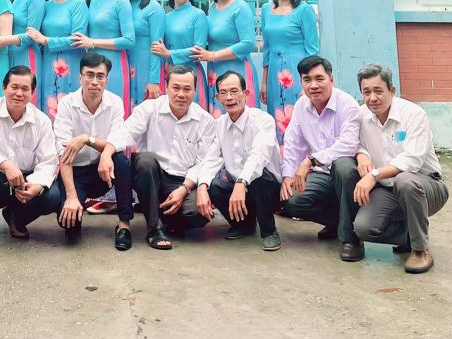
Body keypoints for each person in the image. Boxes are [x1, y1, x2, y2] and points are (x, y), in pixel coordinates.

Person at [346, 63, 449, 274]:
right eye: (366, 92)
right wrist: (362, 154)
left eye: (378, 91)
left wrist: (374, 175)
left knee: (405, 181)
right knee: (364, 228)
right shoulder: (361, 115)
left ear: (391, 91)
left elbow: (412, 160)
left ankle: (421, 250)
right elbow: (355, 142)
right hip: (388, 188)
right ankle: (410, 234)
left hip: (426, 185)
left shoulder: (414, 114)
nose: (372, 98)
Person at [105, 64, 216, 249]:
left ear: (195, 91)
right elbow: (126, 133)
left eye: (187, 89)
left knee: (198, 214)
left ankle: (162, 217)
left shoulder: (205, 120)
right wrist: (107, 153)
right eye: (176, 88)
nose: (181, 94)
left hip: (182, 180)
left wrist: (184, 189)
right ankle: (154, 227)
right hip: (151, 176)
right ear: (167, 87)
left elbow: (203, 162)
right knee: (145, 160)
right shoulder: (150, 108)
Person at [0, 66, 60, 250]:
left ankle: (16, 218)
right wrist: (6, 165)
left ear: (32, 92)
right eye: (14, 87)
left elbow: (48, 160)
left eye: (25, 89)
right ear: (4, 88)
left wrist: (37, 185)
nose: (19, 93)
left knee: (53, 196)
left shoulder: (41, 121)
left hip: (26, 180)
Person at [279, 55, 361, 260]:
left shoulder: (347, 105)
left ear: (331, 80)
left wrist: (311, 160)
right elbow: (293, 143)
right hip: (321, 174)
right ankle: (337, 222)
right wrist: (288, 176)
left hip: (348, 174)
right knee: (290, 200)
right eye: (307, 80)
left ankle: (351, 239)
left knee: (343, 166)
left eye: (319, 78)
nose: (313, 85)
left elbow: (349, 145)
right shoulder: (301, 106)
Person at [52, 53, 134, 249]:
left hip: (103, 171)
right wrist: (71, 197)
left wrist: (87, 140)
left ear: (106, 80)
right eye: (89, 75)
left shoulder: (114, 102)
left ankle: (124, 224)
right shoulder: (66, 104)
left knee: (121, 162)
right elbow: (64, 154)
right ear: (80, 78)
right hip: (76, 173)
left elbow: (118, 140)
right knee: (69, 224)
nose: (95, 81)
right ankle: (75, 206)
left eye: (100, 76)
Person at [199, 71, 283, 251]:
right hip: (239, 190)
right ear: (217, 98)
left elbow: (259, 155)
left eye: (234, 91)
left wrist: (241, 182)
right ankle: (244, 225)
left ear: (246, 94)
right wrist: (202, 186)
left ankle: (269, 231)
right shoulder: (219, 124)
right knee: (213, 186)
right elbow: (211, 159)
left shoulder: (263, 120)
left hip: (268, 189)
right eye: (223, 93)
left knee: (260, 177)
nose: (229, 97)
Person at [260, 0, 319, 143]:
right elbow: (267, 47)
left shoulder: (304, 10)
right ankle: (281, 156)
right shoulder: (266, 9)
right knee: (277, 117)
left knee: (298, 116)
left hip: (296, 72)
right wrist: (264, 82)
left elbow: (312, 49)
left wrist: (308, 82)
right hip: (274, 74)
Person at [72, 0, 135, 116]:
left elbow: (129, 40)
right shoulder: (94, 1)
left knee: (112, 113)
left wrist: (93, 42)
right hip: (92, 65)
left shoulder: (122, 1)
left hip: (114, 66)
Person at [191, 0, 257, 111]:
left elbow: (248, 44)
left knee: (238, 115)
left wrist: (213, 55)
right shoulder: (213, 8)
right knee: (218, 117)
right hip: (215, 70)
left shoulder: (240, 7)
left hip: (236, 70)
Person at [27, 0, 88, 117]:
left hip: (70, 64)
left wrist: (47, 40)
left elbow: (77, 39)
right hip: (47, 64)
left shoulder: (78, 3)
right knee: (49, 106)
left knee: (69, 108)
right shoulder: (47, 5)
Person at [151, 0, 209, 109]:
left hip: (190, 74)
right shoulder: (165, 17)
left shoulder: (198, 15)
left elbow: (199, 50)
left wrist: (169, 53)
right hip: (169, 74)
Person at [122, 0, 165, 109]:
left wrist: (154, 80)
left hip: (144, 68)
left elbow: (157, 47)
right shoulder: (123, 4)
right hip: (123, 65)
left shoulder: (154, 8)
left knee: (144, 111)